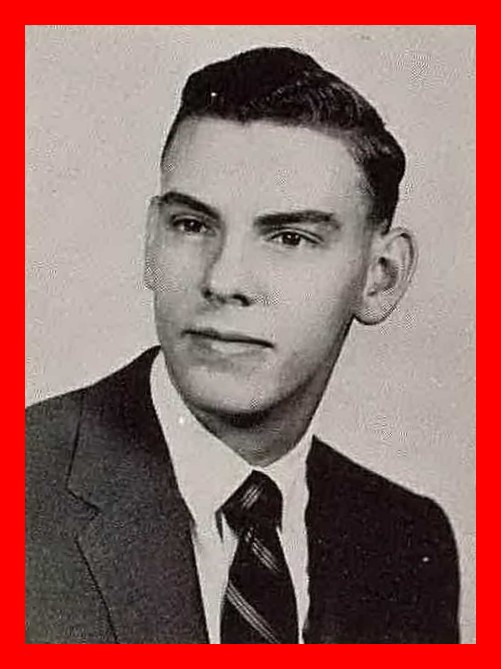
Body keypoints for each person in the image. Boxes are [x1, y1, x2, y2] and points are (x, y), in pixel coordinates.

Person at [25, 46, 460, 644]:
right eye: (192, 225)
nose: (223, 279)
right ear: (151, 243)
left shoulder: (406, 543)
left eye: (289, 237)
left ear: (380, 277)